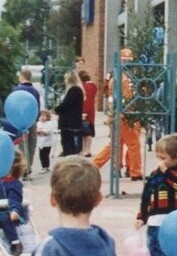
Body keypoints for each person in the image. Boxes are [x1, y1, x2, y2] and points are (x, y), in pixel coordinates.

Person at [92, 48, 143, 179]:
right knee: (132, 143)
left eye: (129, 60)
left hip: (122, 114)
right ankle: (134, 172)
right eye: (125, 60)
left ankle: (101, 166)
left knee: (117, 143)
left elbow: (110, 97)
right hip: (125, 114)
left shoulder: (118, 75)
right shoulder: (124, 77)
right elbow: (117, 97)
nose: (127, 62)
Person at [15, 68, 42, 174]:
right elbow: (37, 106)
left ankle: (23, 166)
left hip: (20, 120)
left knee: (22, 143)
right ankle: (29, 165)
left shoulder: (17, 90)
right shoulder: (35, 91)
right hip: (32, 120)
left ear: (22, 77)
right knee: (32, 143)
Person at [56, 71, 85, 157]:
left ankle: (69, 157)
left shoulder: (74, 90)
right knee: (70, 142)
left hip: (69, 121)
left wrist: (57, 109)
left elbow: (67, 104)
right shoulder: (78, 90)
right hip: (72, 120)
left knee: (68, 143)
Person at [79, 70, 97, 158]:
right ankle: (86, 149)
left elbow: (86, 101)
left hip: (85, 111)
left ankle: (86, 150)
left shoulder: (85, 87)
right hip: (91, 111)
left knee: (86, 132)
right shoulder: (93, 86)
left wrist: (83, 112)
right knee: (87, 131)